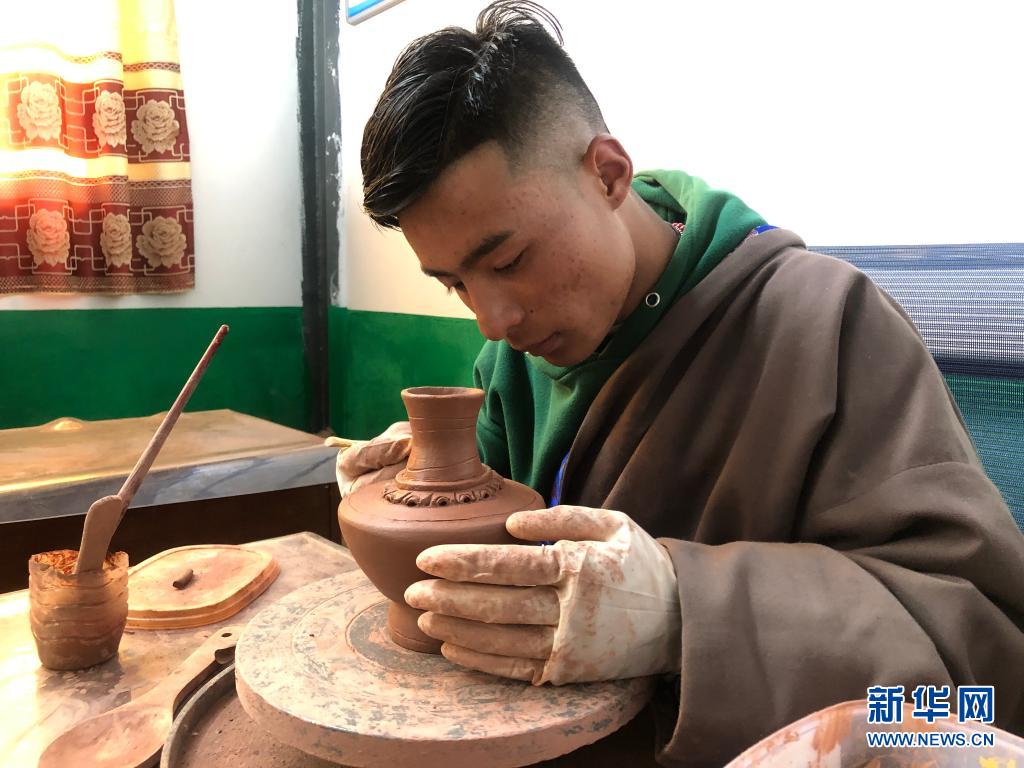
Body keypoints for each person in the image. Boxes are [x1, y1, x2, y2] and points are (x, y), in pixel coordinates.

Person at [338, 1, 1024, 763]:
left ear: (608, 173)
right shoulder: (512, 360)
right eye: (454, 283)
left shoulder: (826, 323)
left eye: (508, 261)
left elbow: (983, 667)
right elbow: (489, 558)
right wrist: (419, 490)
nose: (492, 321)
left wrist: (683, 613)